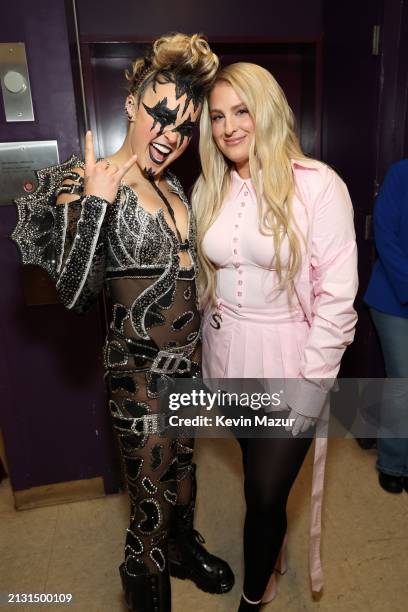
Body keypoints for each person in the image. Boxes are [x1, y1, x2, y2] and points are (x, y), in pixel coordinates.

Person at [11, 33, 234, 612]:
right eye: (159, 117)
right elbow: (75, 296)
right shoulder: (80, 177)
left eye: (184, 128)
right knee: (151, 497)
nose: (169, 137)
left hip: (186, 373)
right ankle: (145, 580)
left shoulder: (174, 183)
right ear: (132, 105)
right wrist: (97, 204)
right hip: (136, 382)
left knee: (184, 478)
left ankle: (183, 548)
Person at [192, 62, 358, 610]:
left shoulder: (318, 185)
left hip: (291, 359)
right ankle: (271, 552)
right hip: (228, 359)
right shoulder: (209, 187)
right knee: (253, 475)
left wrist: (313, 385)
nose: (229, 127)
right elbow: (207, 282)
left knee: (263, 495)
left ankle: (251, 601)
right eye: (217, 116)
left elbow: (337, 299)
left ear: (268, 111)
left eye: (241, 111)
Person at [364, 159, 408, 494]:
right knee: (403, 382)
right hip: (394, 298)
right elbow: (385, 233)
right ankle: (393, 463)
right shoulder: (400, 173)